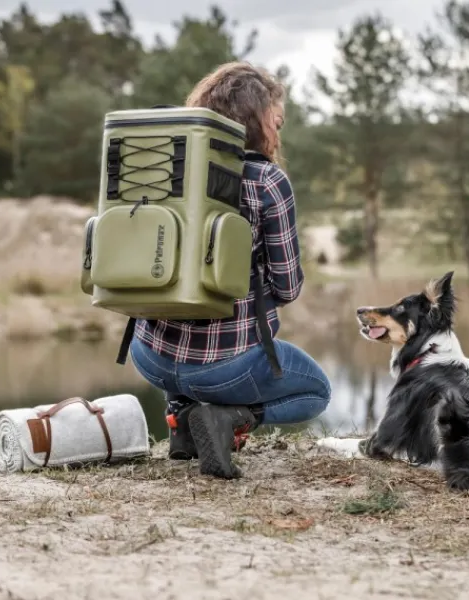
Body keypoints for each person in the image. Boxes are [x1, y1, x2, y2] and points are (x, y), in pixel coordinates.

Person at [129, 62, 332, 480]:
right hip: (224, 367)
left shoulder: (165, 163)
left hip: (148, 355)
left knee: (178, 309)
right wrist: (236, 293)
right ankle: (229, 419)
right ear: (258, 123)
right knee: (317, 391)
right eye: (277, 122)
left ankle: (181, 421)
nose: (279, 133)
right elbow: (288, 286)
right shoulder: (266, 180)